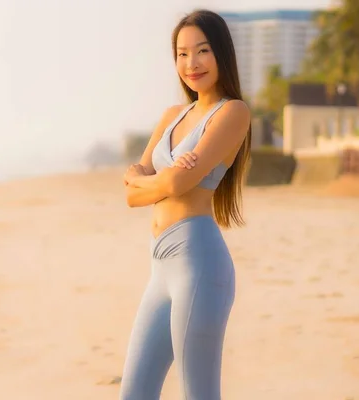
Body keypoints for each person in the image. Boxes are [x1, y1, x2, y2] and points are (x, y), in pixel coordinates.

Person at [119, 9, 251, 400]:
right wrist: (164, 179)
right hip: (160, 267)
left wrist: (151, 179)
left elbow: (172, 181)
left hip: (199, 265)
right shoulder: (173, 116)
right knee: (134, 394)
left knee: (199, 394)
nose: (191, 63)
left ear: (221, 54)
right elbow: (131, 194)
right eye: (182, 54)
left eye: (202, 51)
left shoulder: (232, 112)